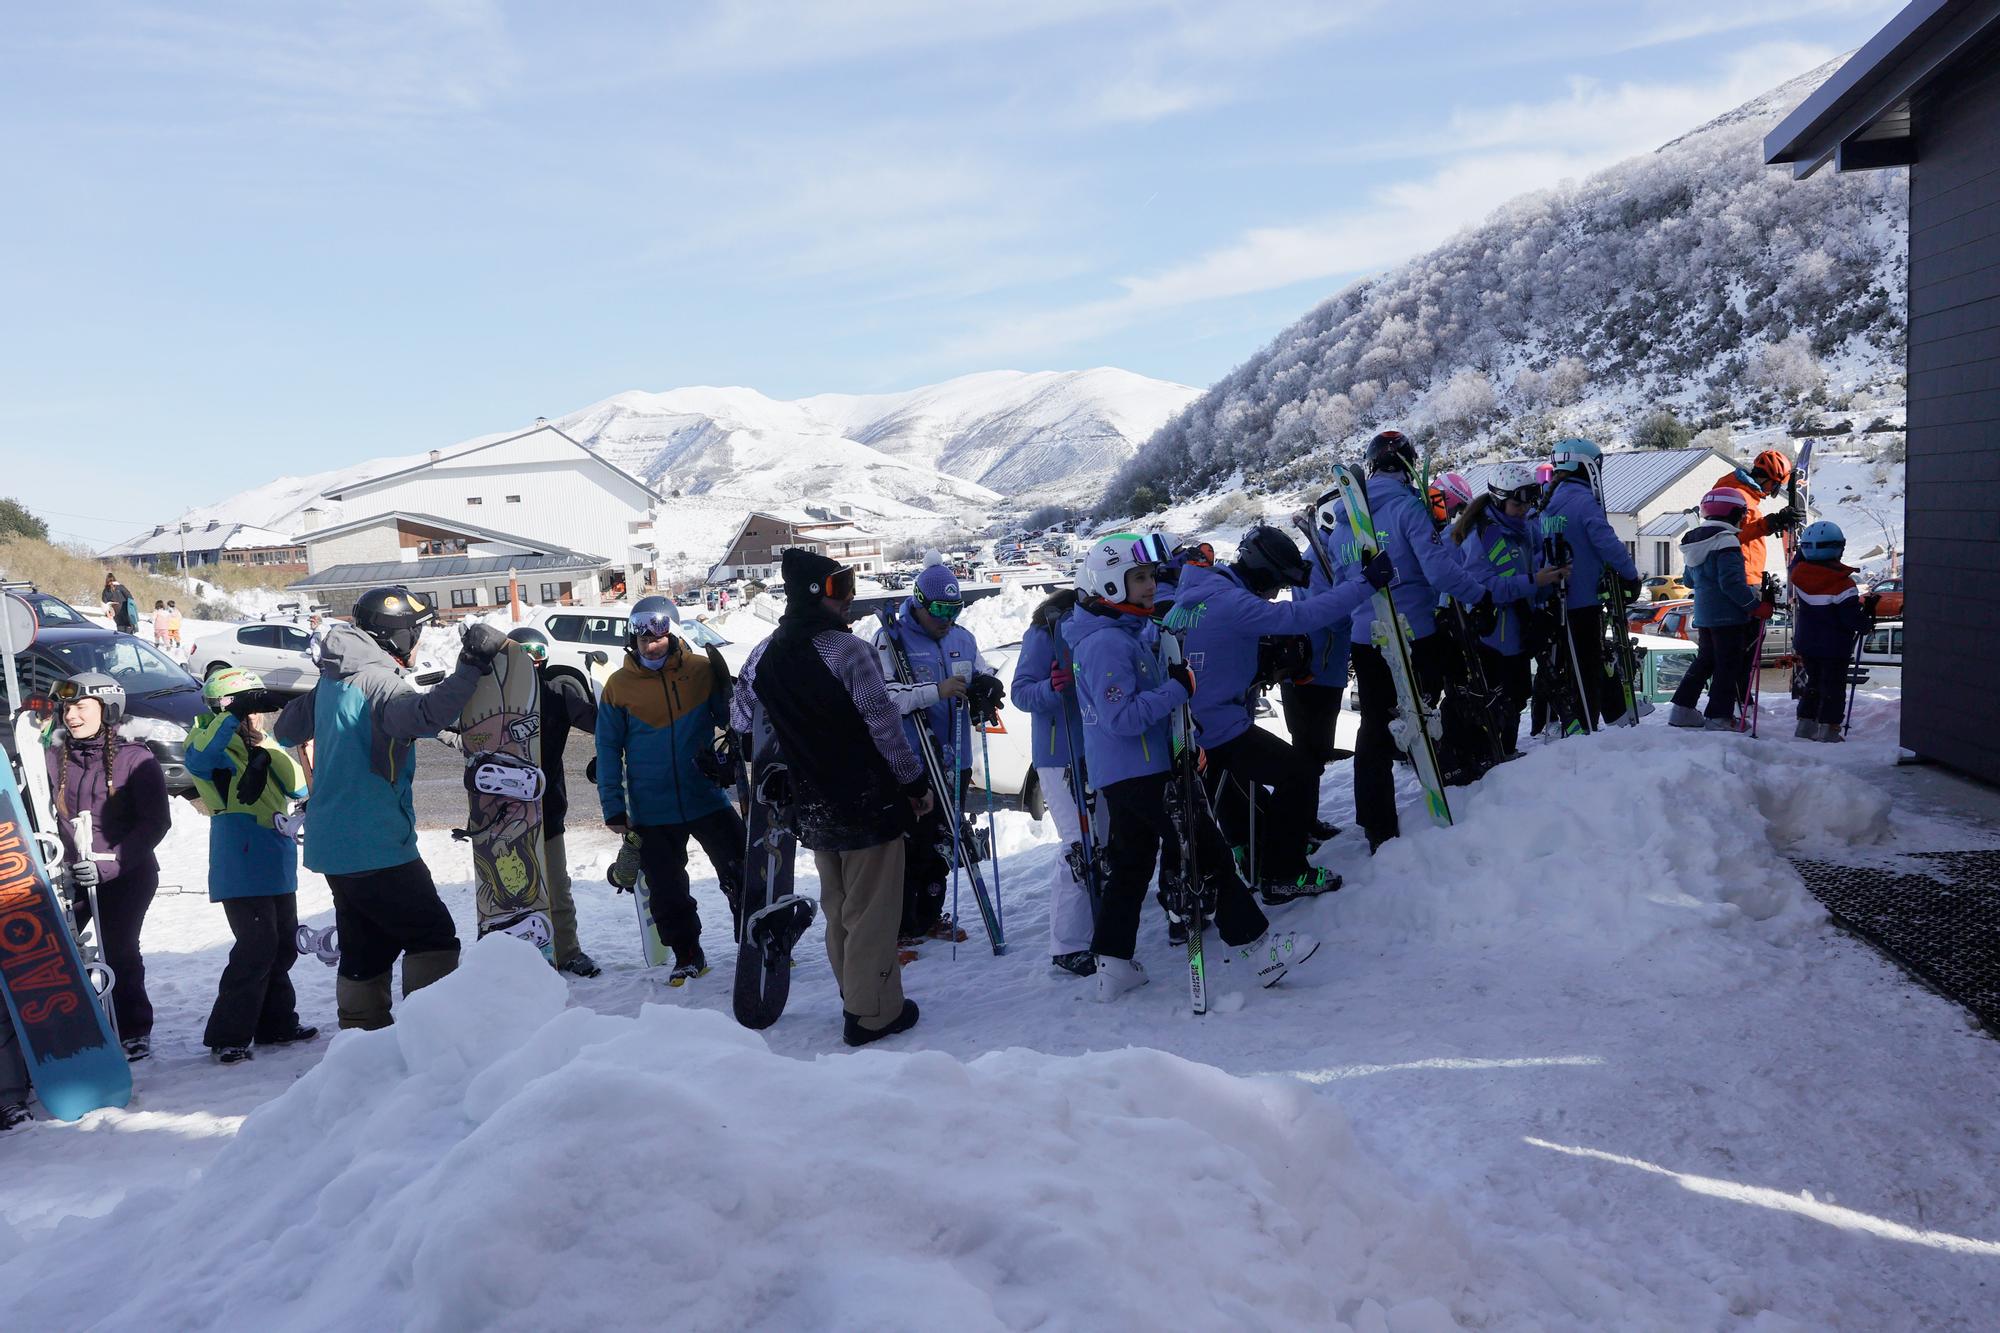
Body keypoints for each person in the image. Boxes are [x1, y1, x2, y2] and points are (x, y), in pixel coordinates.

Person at [1066, 531, 1319, 1003]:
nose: (1148, 585)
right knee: (1208, 852)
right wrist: (1179, 689)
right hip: (1141, 772)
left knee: (1132, 864)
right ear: (1109, 585)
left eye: (1148, 576)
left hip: (1128, 772)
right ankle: (1261, 951)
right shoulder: (1104, 643)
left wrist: (1182, 735)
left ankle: (1113, 962)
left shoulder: (1123, 632)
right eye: (1137, 577)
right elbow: (1122, 718)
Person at [274, 587, 508, 1030]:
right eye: (415, 632)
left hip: (335, 845)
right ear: (395, 635)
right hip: (376, 841)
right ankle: (432, 1034)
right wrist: (471, 669)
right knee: (432, 937)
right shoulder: (377, 681)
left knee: (368, 945)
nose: (417, 641)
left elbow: (286, 729)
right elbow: (420, 715)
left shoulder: (334, 677)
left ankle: (362, 1043)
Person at [731, 548, 929, 1045]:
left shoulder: (764, 653)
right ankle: (873, 1013)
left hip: (812, 804)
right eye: (841, 589)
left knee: (841, 909)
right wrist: (915, 784)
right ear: (817, 594)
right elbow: (883, 725)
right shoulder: (846, 650)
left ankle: (854, 996)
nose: (851, 599)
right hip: (867, 801)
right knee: (873, 913)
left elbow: (739, 718)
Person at [1169, 525, 1383, 901]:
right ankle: (1284, 875)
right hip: (1216, 726)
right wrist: (1366, 583)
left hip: (1189, 727)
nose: (1273, 595)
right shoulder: (1232, 602)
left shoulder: (1191, 597)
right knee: (1299, 773)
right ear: (1263, 572)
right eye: (1275, 585)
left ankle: (1261, 858)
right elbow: (1304, 615)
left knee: (1251, 796)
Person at [1319, 430, 1490, 851]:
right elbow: (1439, 572)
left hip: (1366, 637)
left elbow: (1342, 582)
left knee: (1374, 725)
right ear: (1409, 466)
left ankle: (1376, 823)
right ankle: (1444, 770)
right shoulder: (1408, 509)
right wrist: (1479, 595)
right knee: (1427, 702)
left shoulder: (1343, 525)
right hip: (1413, 630)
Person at [594, 596, 743, 985]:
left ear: (672, 632)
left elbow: (731, 721)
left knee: (742, 870)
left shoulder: (701, 670)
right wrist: (613, 806)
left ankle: (757, 941)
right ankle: (687, 955)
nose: (650, 643)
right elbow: (607, 750)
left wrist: (732, 700)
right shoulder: (618, 687)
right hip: (651, 808)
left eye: (658, 634)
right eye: (641, 637)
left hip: (706, 797)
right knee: (666, 890)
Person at [184, 667, 318, 1063]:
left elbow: (297, 785)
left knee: (281, 944)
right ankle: (228, 1034)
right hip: (238, 855)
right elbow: (200, 759)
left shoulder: (261, 740)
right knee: (256, 946)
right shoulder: (206, 738)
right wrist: (229, 717)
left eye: (256, 707)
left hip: (274, 852)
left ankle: (276, 1023)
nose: (253, 716)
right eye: (247, 707)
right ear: (222, 706)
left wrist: (268, 745)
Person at [871, 562, 1005, 946]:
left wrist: (986, 686)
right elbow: (886, 699)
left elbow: (979, 672)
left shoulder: (962, 637)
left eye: (955, 610)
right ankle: (898, 927)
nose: (947, 619)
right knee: (910, 846)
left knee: (943, 843)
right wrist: (937, 691)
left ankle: (928, 917)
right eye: (940, 610)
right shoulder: (891, 642)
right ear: (919, 603)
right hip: (913, 760)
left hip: (955, 757)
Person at [45, 672, 171, 1060]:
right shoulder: (53, 758)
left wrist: (112, 863)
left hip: (127, 872)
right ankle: (70, 1026)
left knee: (117, 948)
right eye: (67, 708)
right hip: (71, 874)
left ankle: (133, 1028)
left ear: (107, 709)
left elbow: (155, 822)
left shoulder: (136, 758)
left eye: (81, 707)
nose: (71, 716)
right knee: (57, 951)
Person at [489, 626, 604, 975]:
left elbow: (598, 722)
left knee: (556, 885)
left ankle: (567, 951)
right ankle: (518, 957)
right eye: (520, 653)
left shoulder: (557, 693)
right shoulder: (490, 697)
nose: (529, 661)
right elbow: (453, 726)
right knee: (512, 889)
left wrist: (601, 694)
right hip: (501, 814)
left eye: (536, 652)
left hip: (547, 806)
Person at [1669, 449, 1802, 711]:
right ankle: (1729, 706)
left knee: (1712, 656)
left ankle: (1688, 706)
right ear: (1771, 480)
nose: (1772, 492)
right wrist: (1770, 523)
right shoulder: (1737, 497)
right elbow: (1731, 536)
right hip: (1739, 581)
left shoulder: (1736, 490)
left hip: (1720, 592)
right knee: (1737, 653)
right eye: (1775, 487)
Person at [1450, 464, 1569, 755]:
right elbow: (1484, 589)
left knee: (1517, 696)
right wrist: (1534, 580)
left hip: (1517, 632)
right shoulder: (1485, 535)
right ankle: (1489, 756)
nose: (1523, 508)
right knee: (1497, 698)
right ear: (1499, 500)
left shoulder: (1523, 529)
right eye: (1518, 502)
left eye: (1528, 502)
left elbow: (1527, 578)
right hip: (1492, 636)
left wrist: (1550, 577)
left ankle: (1506, 752)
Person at [1010, 587, 1097, 975]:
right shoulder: (1044, 633)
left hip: (1095, 750)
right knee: (1077, 846)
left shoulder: (1092, 628)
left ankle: (1093, 928)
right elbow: (1020, 691)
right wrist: (1050, 688)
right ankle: (1067, 944)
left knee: (1100, 841)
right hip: (1057, 753)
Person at [1536, 439, 1642, 727]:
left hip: (1553, 599)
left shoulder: (1546, 501)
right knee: (1588, 666)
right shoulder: (1583, 500)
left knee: (1562, 665)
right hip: (1584, 599)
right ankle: (1587, 722)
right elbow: (1606, 542)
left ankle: (1553, 721)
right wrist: (1631, 576)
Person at [1667, 489, 1767, 730]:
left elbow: (1689, 581)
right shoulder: (1726, 540)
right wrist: (1754, 605)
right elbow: (1731, 583)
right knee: (1728, 665)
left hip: (1703, 614)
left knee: (1706, 660)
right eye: (1742, 514)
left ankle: (1682, 709)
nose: (1743, 519)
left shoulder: (1694, 541)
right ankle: (1720, 716)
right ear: (1733, 513)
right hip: (1728, 615)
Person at [1788, 521, 1872, 742]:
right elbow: (1850, 619)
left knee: (1814, 682)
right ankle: (1829, 729)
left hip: (1807, 643)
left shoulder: (1798, 575)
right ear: (1838, 548)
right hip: (1834, 646)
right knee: (1833, 687)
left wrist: (1803, 547)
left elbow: (1796, 561)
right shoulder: (1843, 585)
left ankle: (1805, 725)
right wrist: (1866, 623)